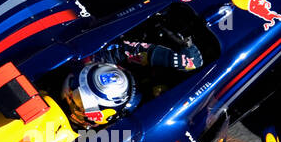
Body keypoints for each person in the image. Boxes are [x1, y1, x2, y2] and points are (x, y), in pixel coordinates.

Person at [60, 26, 204, 128]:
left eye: (79, 105)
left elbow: (193, 63)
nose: (72, 95)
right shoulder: (88, 62)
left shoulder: (150, 113)